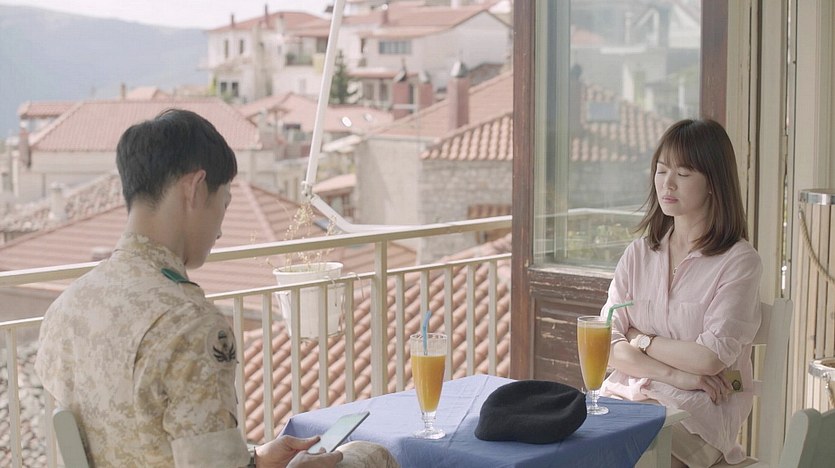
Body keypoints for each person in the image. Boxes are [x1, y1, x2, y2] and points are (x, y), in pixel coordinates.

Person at [35, 109, 397, 468]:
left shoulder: (67, 307)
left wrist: (255, 461)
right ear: (194, 189)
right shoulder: (187, 322)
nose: (220, 230)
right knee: (369, 455)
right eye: (224, 204)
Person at [599, 119, 762, 468]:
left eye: (683, 173)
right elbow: (606, 344)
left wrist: (640, 338)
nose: (667, 183)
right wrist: (678, 374)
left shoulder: (739, 261)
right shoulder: (638, 254)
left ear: (713, 183)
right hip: (622, 399)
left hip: (697, 416)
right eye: (661, 171)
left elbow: (710, 359)